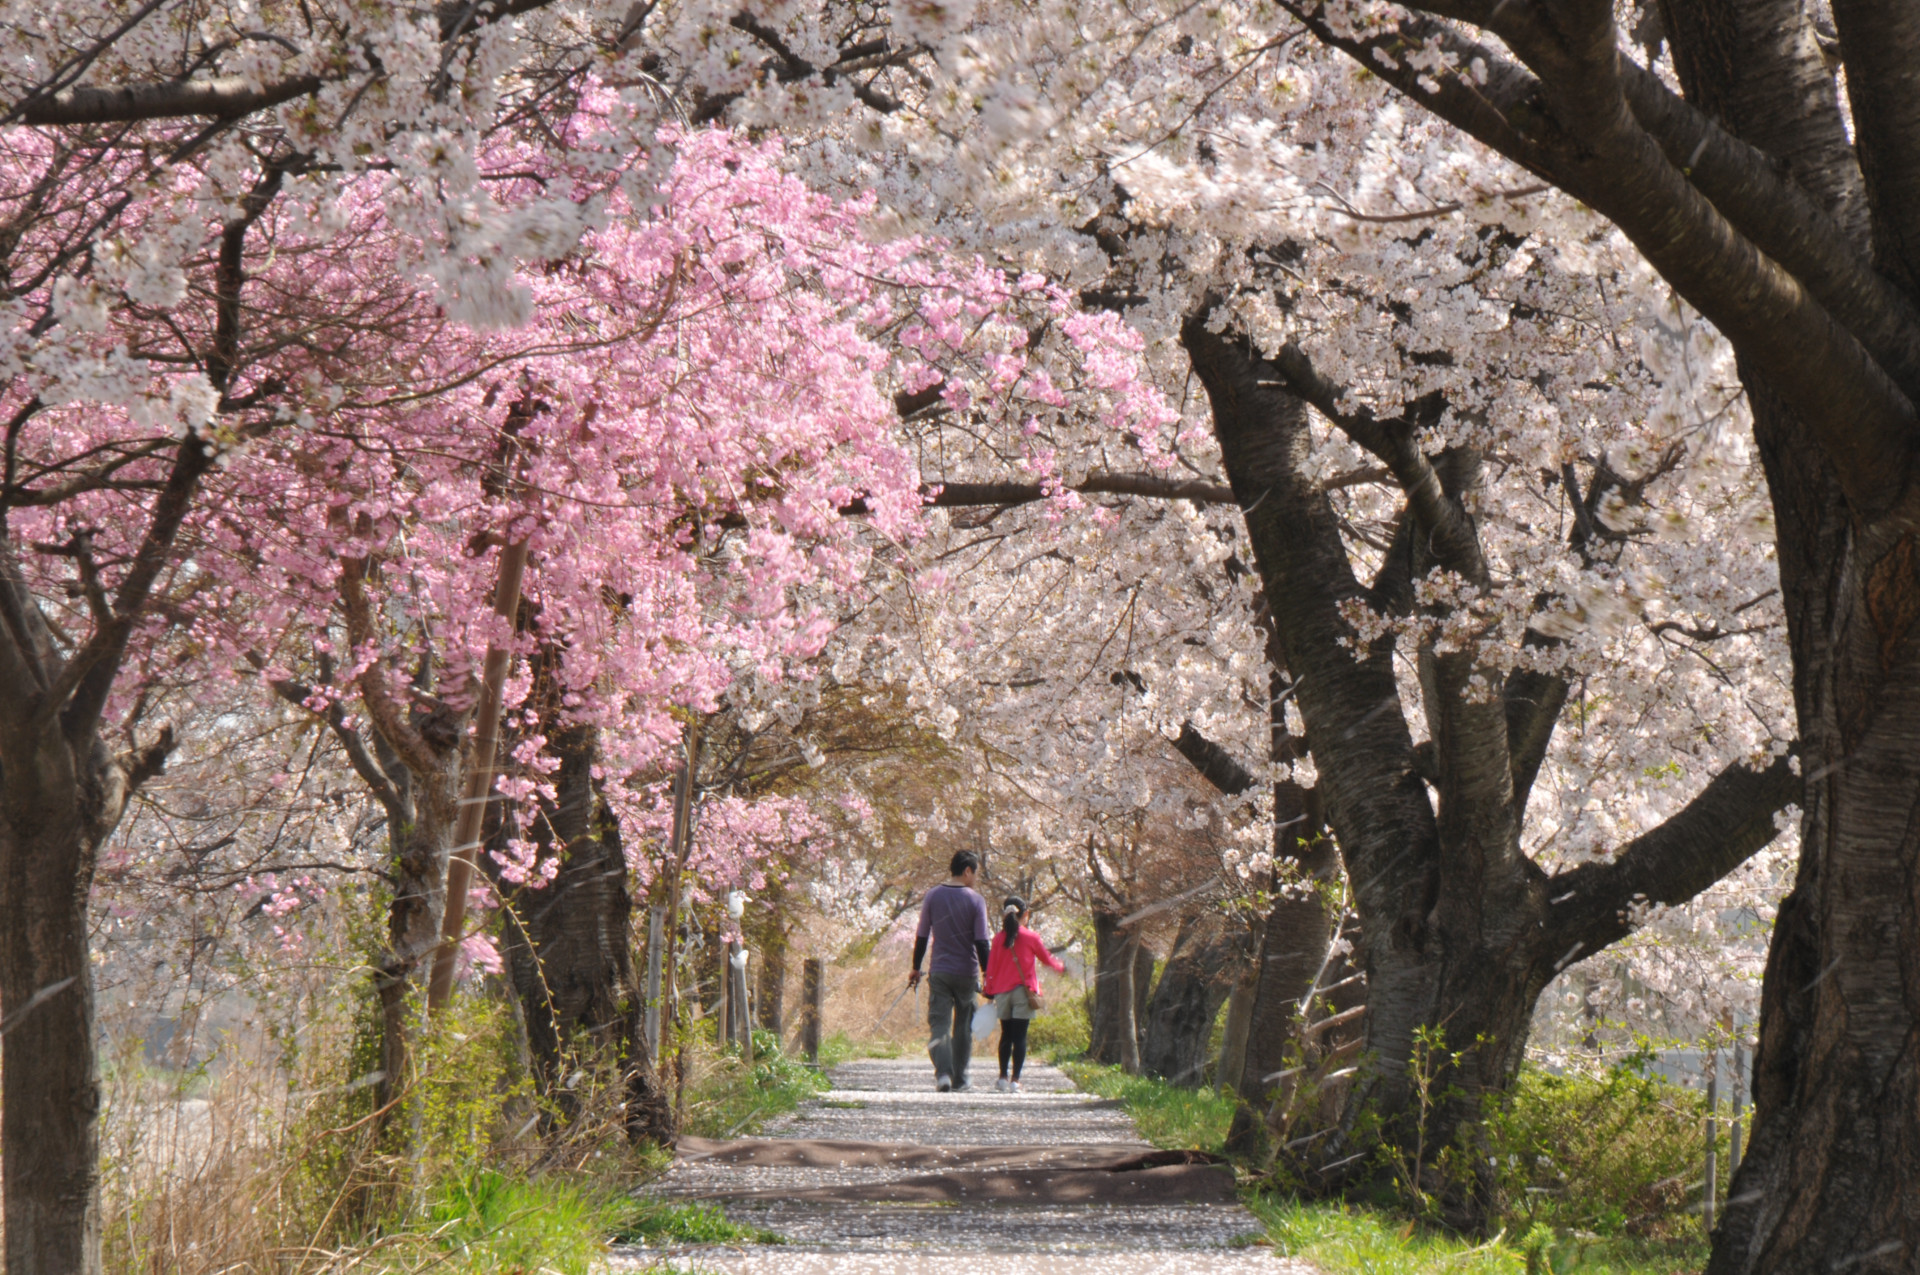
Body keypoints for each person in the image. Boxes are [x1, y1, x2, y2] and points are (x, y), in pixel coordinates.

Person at [908, 851, 991, 1092]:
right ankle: (961, 1078)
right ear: (967, 871)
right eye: (975, 873)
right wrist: (988, 973)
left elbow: (922, 935)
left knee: (940, 1023)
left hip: (940, 971)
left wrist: (916, 967)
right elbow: (982, 942)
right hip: (967, 972)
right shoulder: (976, 900)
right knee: (964, 1025)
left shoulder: (932, 896)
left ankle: (943, 1073)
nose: (975, 878)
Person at [981, 895, 1065, 1093]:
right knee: (1020, 1037)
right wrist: (1062, 968)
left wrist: (989, 991)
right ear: (1025, 914)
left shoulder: (998, 938)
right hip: (1022, 993)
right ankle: (1015, 1081)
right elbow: (1046, 959)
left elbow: (990, 968)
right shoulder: (1030, 937)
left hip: (1002, 993)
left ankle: (1002, 1077)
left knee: (1006, 1035)